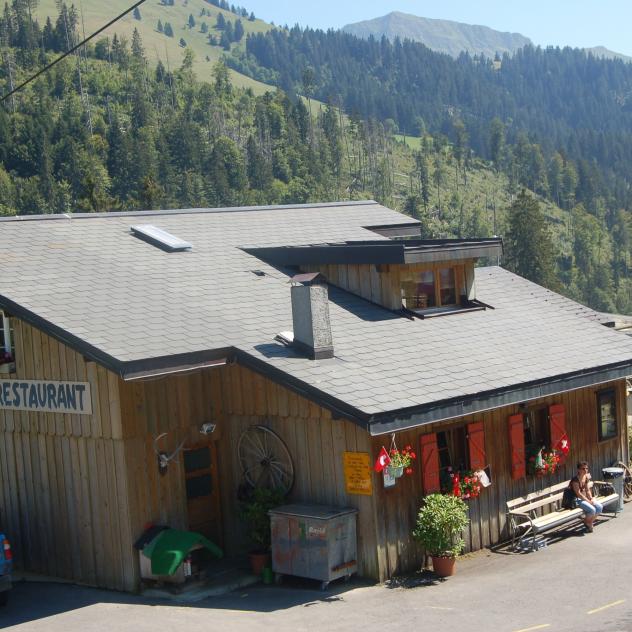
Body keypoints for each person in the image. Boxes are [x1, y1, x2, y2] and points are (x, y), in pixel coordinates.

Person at [570, 461, 603, 532]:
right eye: (583, 469)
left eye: (586, 468)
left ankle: (588, 522)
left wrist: (591, 498)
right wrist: (588, 501)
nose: (585, 470)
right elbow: (578, 494)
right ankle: (588, 522)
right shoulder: (575, 480)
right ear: (578, 470)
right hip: (576, 500)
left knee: (599, 507)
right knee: (592, 510)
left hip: (584, 499)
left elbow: (587, 490)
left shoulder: (585, 477)